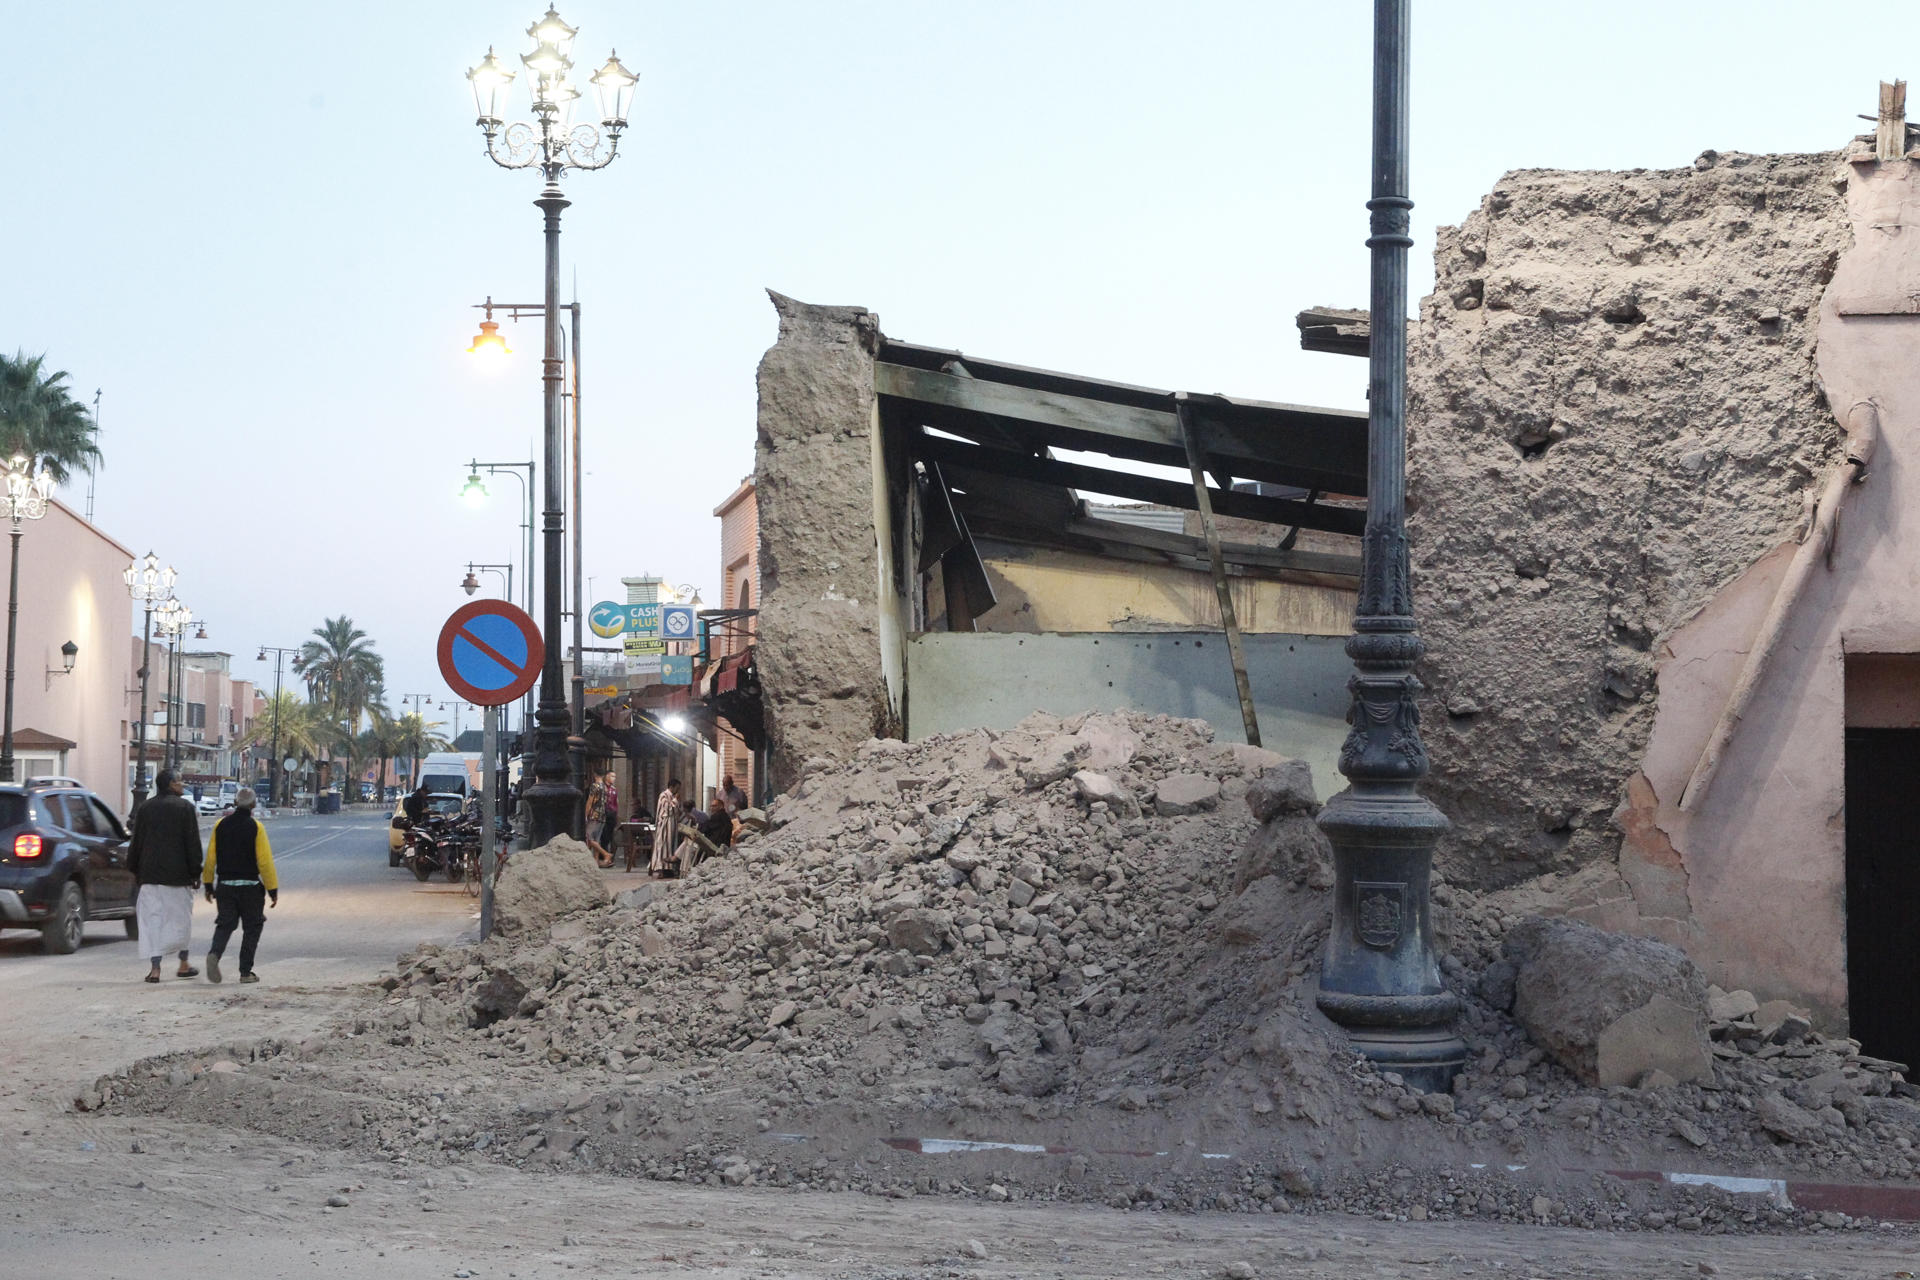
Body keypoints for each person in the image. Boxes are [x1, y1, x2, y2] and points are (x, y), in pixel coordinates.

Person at [127, 770, 204, 983]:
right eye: (179, 780)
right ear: (170, 784)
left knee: (153, 920)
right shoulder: (185, 808)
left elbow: (137, 842)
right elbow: (192, 844)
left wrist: (133, 869)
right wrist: (195, 871)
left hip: (150, 875)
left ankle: (155, 969)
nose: (182, 783)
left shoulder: (145, 808)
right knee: (180, 921)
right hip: (177, 877)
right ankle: (183, 964)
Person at [200, 788, 279, 984]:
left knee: (225, 924)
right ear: (253, 805)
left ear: (235, 803)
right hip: (250, 887)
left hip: (225, 886)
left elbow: (210, 858)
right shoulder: (256, 827)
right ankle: (245, 972)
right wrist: (272, 889)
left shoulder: (220, 825)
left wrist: (208, 884)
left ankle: (214, 954)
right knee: (252, 927)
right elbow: (264, 862)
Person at [649, 778, 683, 878]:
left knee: (671, 847)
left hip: (672, 826)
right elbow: (668, 810)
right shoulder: (663, 795)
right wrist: (676, 800)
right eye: (677, 788)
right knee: (663, 847)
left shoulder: (671, 796)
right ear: (672, 787)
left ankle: (669, 868)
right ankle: (660, 869)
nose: (678, 790)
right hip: (665, 826)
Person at [584, 770, 614, 868]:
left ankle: (606, 854)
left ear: (594, 775)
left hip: (594, 815)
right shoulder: (605, 788)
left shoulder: (595, 786)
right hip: (603, 816)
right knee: (596, 839)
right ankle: (595, 862)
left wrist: (586, 814)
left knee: (588, 837)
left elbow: (590, 801)